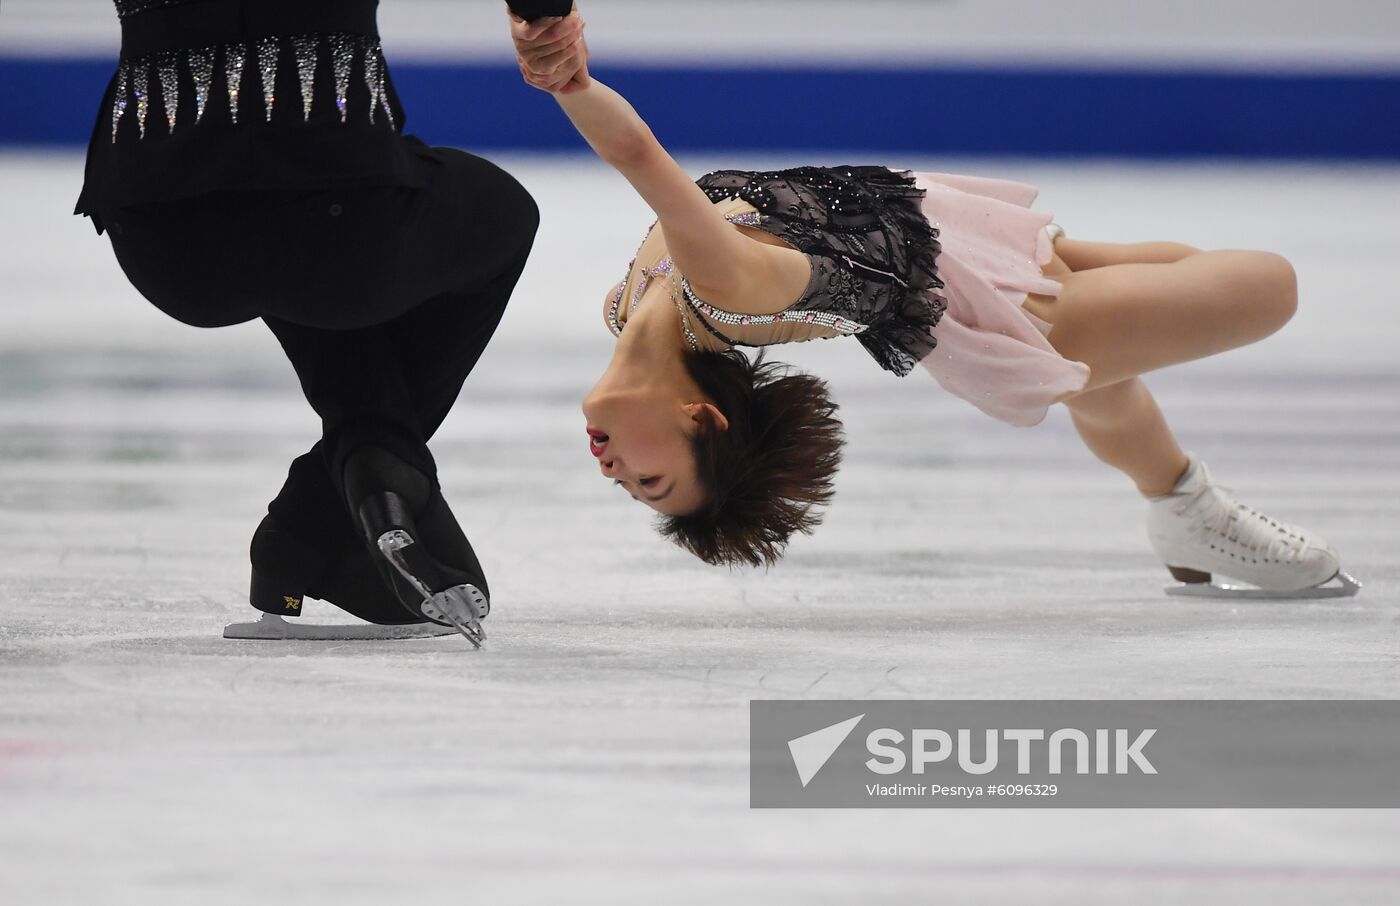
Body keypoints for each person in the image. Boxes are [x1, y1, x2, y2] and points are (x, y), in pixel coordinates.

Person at [507, 6, 1359, 598]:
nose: (615, 473)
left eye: (634, 485)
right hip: (987, 306)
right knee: (1265, 284)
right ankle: (1186, 508)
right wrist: (569, 78)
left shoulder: (628, 308)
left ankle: (1180, 507)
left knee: (1111, 364)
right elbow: (639, 155)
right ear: (704, 420)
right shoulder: (725, 292)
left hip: (934, 227)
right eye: (651, 482)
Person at [73, 0, 565, 644]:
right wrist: (546, 14)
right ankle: (352, 486)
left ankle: (323, 517)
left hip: (160, 233)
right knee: (499, 212)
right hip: (338, 210)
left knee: (307, 268)